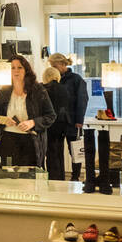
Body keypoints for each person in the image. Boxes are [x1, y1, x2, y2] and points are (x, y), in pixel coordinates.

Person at [0, 54, 56, 167]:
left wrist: (32, 122)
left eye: (19, 67)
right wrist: (3, 119)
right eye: (12, 68)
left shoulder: (38, 90)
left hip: (31, 141)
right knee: (9, 178)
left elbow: (50, 116)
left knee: (29, 179)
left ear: (26, 70)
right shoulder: (4, 91)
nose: (16, 71)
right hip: (7, 140)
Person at [48, 52, 89, 180]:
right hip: (56, 123)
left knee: (75, 151)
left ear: (62, 64)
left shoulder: (76, 79)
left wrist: (79, 120)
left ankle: (75, 177)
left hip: (72, 121)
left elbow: (82, 100)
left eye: (54, 65)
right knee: (55, 151)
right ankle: (57, 177)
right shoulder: (53, 80)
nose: (52, 68)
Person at [43, 66, 73, 181]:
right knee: (59, 153)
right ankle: (60, 177)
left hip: (50, 125)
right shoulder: (64, 89)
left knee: (50, 153)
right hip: (62, 124)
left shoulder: (44, 89)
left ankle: (53, 178)